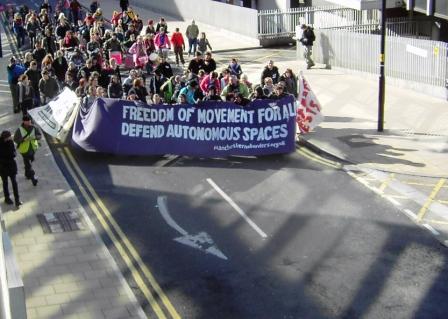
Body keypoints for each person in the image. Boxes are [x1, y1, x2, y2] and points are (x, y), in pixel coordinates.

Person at [14, 115, 41, 186]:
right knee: (29, 164)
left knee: (29, 163)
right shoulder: (19, 130)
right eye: (27, 121)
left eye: (30, 121)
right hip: (24, 150)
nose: (29, 122)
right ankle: (33, 179)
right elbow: (15, 139)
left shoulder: (34, 127)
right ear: (23, 121)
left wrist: (35, 137)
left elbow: (39, 136)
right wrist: (23, 140)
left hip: (33, 149)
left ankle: (27, 174)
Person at [0, 131, 21, 208]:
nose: (11, 137)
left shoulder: (10, 142)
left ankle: (15, 200)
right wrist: (12, 154)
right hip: (6, 167)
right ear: (6, 137)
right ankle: (11, 199)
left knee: (11, 183)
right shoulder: (8, 143)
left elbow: (13, 153)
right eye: (9, 136)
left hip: (6, 167)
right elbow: (13, 154)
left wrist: (13, 153)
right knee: (8, 183)